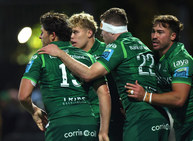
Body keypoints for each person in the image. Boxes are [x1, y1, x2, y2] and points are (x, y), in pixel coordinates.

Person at [38, 8, 170, 141]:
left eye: (102, 31)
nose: (102, 35)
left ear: (109, 31)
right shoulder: (141, 44)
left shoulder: (115, 47)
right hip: (159, 115)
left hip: (138, 117)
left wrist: (61, 54)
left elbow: (89, 74)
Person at [18, 11, 111, 141]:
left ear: (52, 36)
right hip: (88, 124)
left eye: (42, 32)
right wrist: (103, 131)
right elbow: (104, 93)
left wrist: (34, 111)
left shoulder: (41, 57)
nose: (40, 37)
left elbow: (23, 96)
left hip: (60, 126)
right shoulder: (87, 56)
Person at [125, 15, 193, 141]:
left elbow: (178, 99)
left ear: (173, 36)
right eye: (153, 31)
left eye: (160, 32)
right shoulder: (154, 58)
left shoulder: (181, 60)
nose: (154, 36)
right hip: (180, 124)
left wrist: (145, 96)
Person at [68, 12, 124, 141]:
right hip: (83, 119)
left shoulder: (108, 50)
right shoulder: (71, 56)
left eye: (75, 32)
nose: (71, 37)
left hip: (112, 118)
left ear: (89, 33)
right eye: (70, 33)